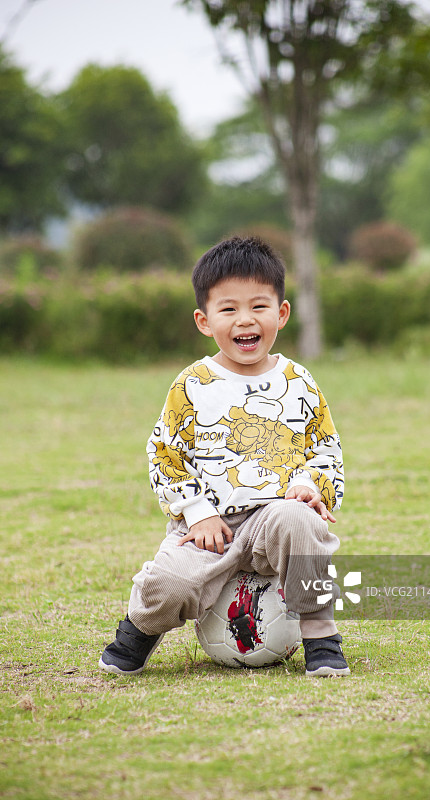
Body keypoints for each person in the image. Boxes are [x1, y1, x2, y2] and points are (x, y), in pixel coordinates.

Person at [99, 236, 349, 678]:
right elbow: (166, 453)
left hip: (275, 515)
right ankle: (139, 629)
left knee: (301, 522)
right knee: (172, 582)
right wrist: (196, 513)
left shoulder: (299, 382)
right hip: (210, 526)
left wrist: (310, 487)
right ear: (204, 320)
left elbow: (325, 447)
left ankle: (321, 637)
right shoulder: (192, 384)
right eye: (228, 309)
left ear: (282, 313)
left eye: (259, 306)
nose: (245, 320)